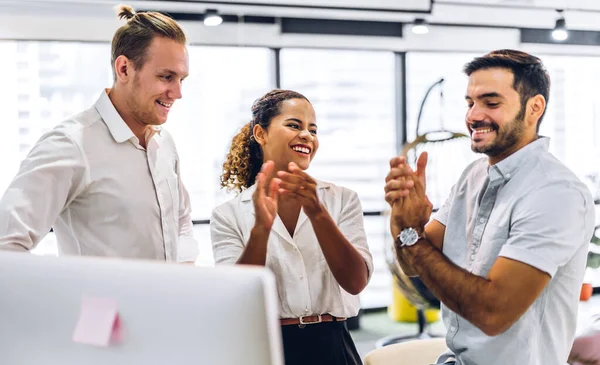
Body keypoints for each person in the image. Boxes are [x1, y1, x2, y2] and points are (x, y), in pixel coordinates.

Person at [384, 49, 595, 365]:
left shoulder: (555, 193)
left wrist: (412, 236)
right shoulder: (472, 177)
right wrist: (402, 224)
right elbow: (414, 265)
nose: (473, 115)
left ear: (534, 107)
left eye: (491, 103)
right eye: (470, 103)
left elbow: (492, 313)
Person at [0, 5, 198, 263]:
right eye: (166, 77)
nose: (178, 92)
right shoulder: (71, 144)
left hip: (172, 302)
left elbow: (181, 221)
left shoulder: (165, 143)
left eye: (182, 79)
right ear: (124, 69)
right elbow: (6, 245)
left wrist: (186, 277)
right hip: (103, 304)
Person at [211, 89, 373, 365]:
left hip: (333, 346)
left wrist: (317, 213)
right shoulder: (228, 215)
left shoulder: (342, 199)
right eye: (294, 125)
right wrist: (261, 229)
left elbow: (355, 282)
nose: (307, 136)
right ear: (260, 134)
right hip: (268, 348)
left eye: (313, 129)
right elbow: (237, 297)